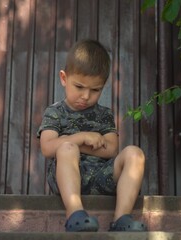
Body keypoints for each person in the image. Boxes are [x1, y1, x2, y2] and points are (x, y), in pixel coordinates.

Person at [37, 39, 147, 232]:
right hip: (67, 177)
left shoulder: (103, 115)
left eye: (95, 90)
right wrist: (81, 138)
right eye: (79, 87)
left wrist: (79, 142)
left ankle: (121, 219)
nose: (86, 96)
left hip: (101, 176)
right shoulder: (55, 112)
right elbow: (47, 147)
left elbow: (111, 148)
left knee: (135, 153)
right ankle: (75, 215)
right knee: (67, 148)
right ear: (64, 78)